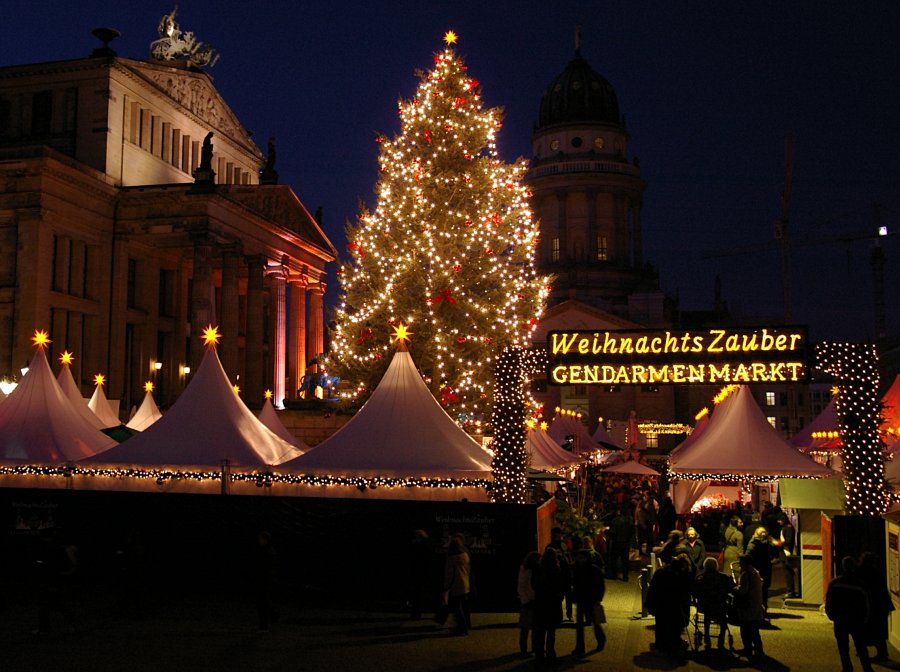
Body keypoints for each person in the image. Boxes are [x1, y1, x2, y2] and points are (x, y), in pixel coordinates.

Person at [826, 556, 874, 672]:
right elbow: (866, 603)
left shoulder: (835, 583)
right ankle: (867, 668)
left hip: (840, 619)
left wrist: (831, 615)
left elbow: (829, 601)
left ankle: (847, 668)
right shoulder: (860, 584)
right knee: (861, 646)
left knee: (843, 647)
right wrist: (865, 618)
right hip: (856, 619)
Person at [645, 554, 692, 654]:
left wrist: (650, 603)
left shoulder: (661, 571)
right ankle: (671, 644)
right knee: (673, 624)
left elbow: (653, 588)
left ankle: (660, 643)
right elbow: (683, 591)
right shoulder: (679, 575)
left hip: (660, 603)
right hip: (673, 604)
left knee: (661, 623)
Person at [571, 536, 606, 656]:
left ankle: (601, 639)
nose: (578, 559)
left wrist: (598, 599)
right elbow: (575, 583)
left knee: (595, 621)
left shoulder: (593, 569)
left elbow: (600, 585)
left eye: (580, 557)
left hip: (590, 599)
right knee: (580, 625)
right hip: (581, 598)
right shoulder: (577, 568)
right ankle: (580, 647)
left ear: (585, 558)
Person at [858, 551, 893, 663]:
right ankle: (882, 653)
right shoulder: (877, 573)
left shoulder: (861, 573)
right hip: (879, 605)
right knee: (878, 631)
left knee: (864, 629)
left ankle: (863, 651)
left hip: (869, 605)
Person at [692, 556, 734, 649]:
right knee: (722, 618)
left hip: (704, 606)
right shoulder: (724, 578)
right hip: (720, 605)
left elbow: (694, 592)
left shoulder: (700, 578)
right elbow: (731, 589)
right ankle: (721, 637)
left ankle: (706, 635)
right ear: (716, 566)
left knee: (707, 614)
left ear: (705, 566)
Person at [533, 547, 565, 662]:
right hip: (553, 604)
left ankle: (539, 654)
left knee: (540, 631)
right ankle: (551, 653)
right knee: (551, 632)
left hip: (541, 603)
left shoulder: (538, 568)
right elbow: (560, 586)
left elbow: (534, 584)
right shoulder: (556, 569)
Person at [733, 553, 765, 658]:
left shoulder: (746, 574)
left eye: (741, 562)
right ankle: (758, 649)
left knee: (746, 628)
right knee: (754, 629)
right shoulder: (755, 572)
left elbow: (742, 590)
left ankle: (747, 649)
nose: (740, 564)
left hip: (748, 605)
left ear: (745, 563)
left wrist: (733, 589)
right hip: (756, 604)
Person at [443, 535, 471, 635]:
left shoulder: (451, 558)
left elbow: (449, 574)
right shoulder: (465, 555)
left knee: (456, 608)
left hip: (456, 585)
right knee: (461, 607)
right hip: (465, 584)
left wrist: (446, 586)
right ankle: (464, 627)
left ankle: (463, 629)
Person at [745, 526, 777, 612]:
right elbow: (774, 554)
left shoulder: (753, 542)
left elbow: (748, 554)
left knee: (755, 588)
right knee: (764, 588)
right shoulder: (770, 543)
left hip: (756, 568)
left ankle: (756, 606)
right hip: (766, 567)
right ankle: (764, 606)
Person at [545, 527, 574, 621]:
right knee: (559, 597)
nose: (558, 536)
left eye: (559, 534)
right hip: (557, 575)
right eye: (557, 535)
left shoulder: (564, 545)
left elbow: (569, 557)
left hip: (566, 573)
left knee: (568, 596)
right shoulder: (550, 547)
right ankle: (559, 616)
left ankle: (569, 614)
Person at [517, 551, 540, 656]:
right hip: (529, 601)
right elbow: (521, 587)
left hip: (533, 600)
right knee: (526, 627)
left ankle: (533, 647)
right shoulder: (527, 570)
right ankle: (524, 649)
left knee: (534, 626)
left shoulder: (531, 569)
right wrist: (525, 601)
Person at [254, 531, 277, 632]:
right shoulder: (268, 551)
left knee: (263, 603)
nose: (259, 541)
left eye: (260, 539)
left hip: (264, 580)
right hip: (266, 580)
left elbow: (264, 567)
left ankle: (264, 625)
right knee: (265, 602)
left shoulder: (266, 552)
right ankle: (271, 619)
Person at [606, 505, 635, 582]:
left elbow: (613, 531)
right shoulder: (630, 520)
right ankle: (625, 576)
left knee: (614, 559)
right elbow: (632, 531)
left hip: (617, 542)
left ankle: (614, 575)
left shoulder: (616, 520)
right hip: (626, 542)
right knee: (625, 560)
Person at [778, 515, 800, 598]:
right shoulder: (787, 527)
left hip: (787, 553)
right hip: (785, 553)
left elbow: (788, 540)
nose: (778, 522)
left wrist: (779, 543)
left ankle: (790, 591)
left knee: (788, 574)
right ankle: (790, 591)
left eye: (780, 520)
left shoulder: (788, 528)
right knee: (788, 573)